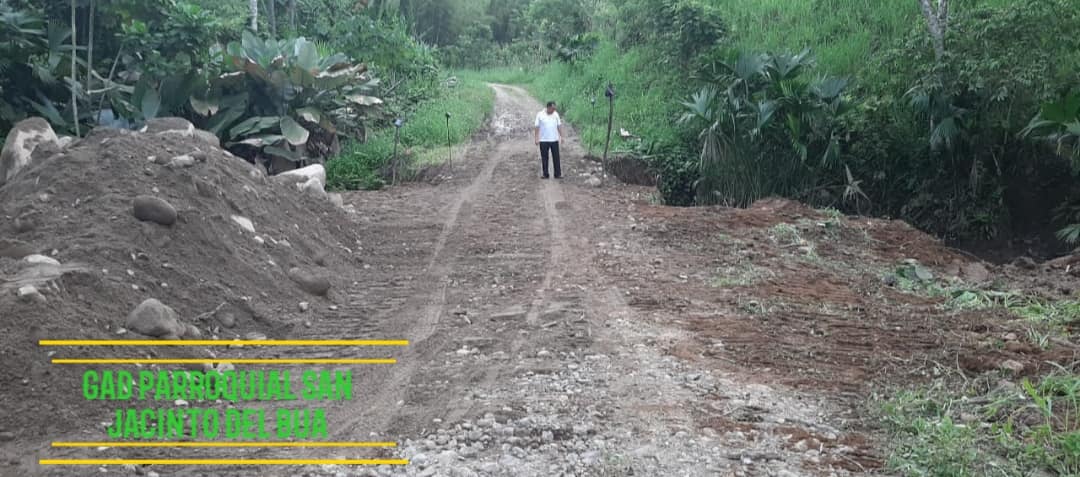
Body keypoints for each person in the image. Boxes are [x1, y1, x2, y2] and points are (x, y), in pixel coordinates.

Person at [534, 101, 563, 179]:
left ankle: (557, 174)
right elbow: (536, 127)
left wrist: (561, 136)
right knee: (544, 157)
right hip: (543, 140)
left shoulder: (556, 114)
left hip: (554, 139)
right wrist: (536, 138)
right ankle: (545, 174)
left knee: (556, 157)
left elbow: (559, 126)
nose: (554, 110)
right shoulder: (540, 114)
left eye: (554, 109)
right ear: (548, 107)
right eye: (553, 108)